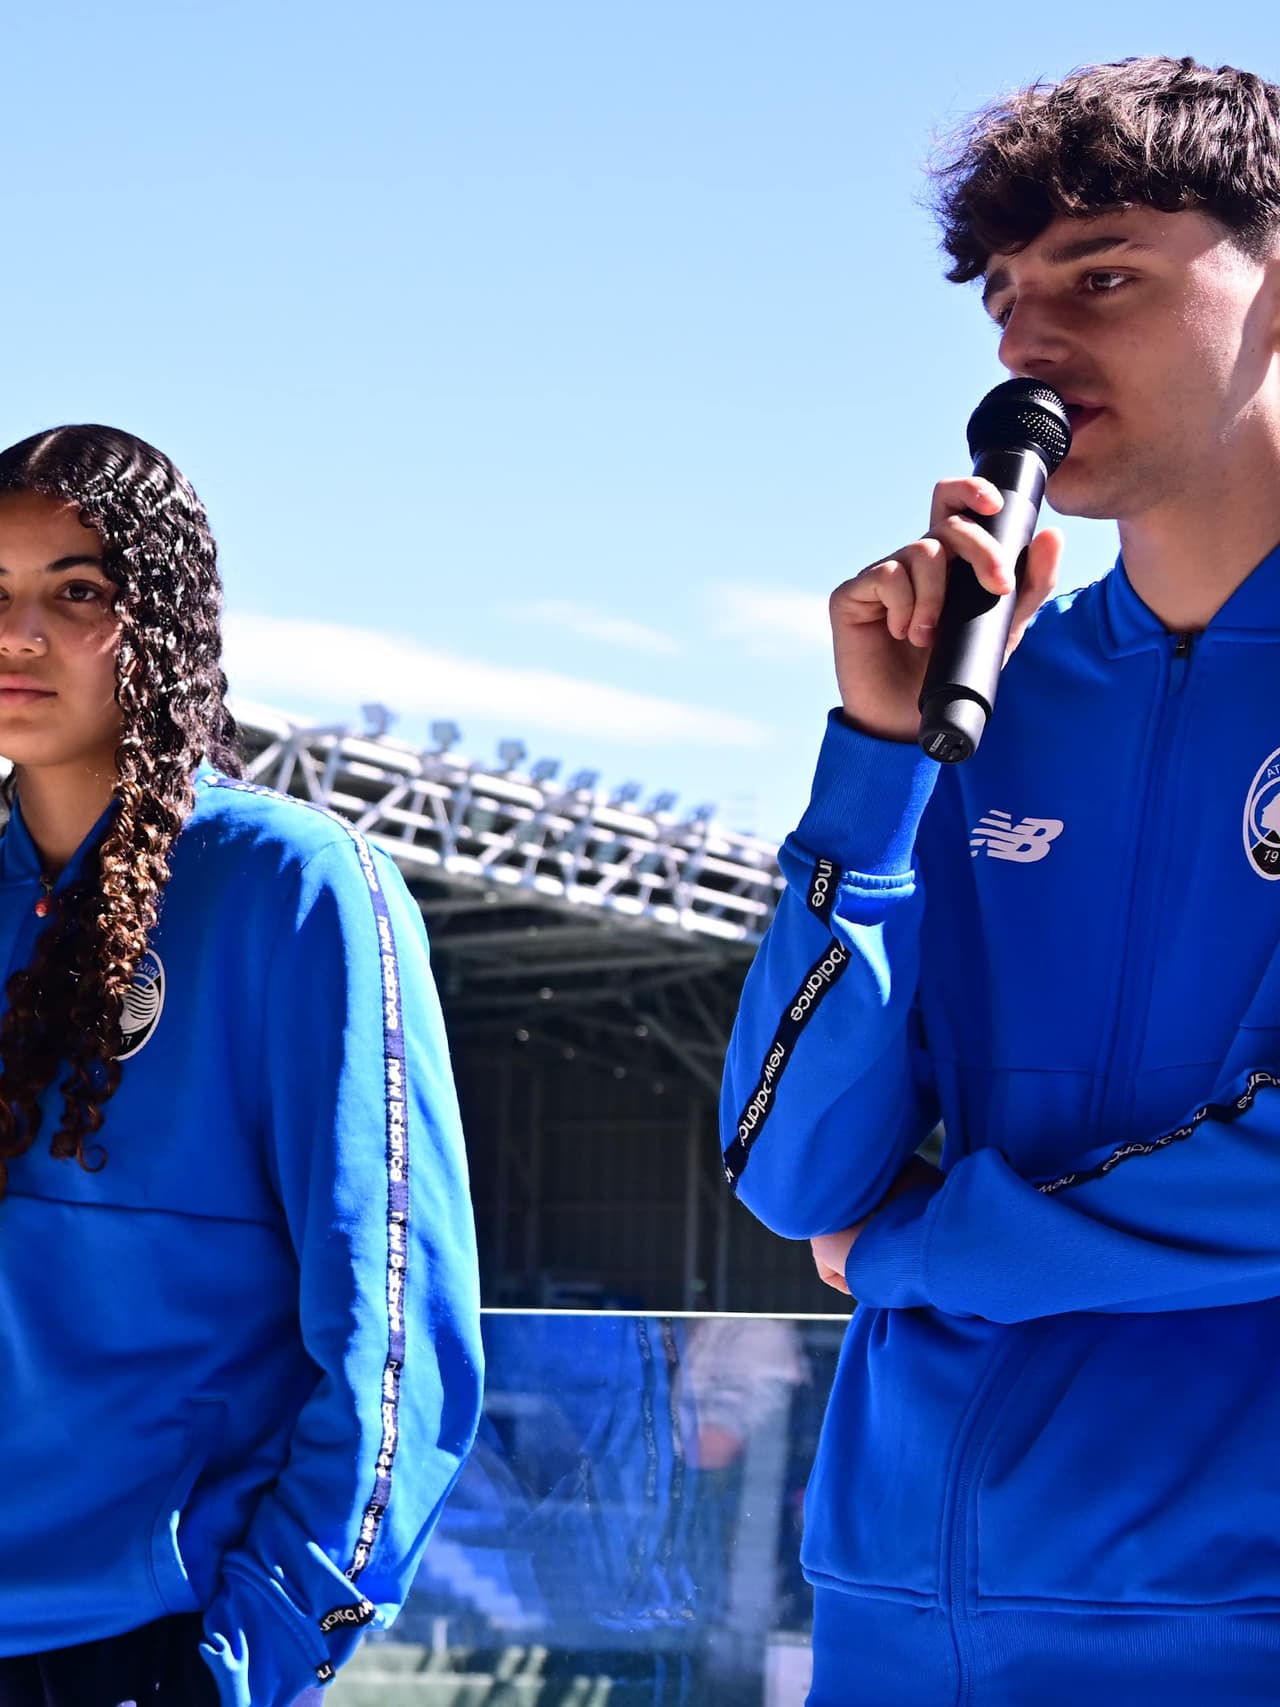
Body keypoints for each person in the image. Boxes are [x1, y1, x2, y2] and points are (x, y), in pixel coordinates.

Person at [720, 55, 1280, 1706]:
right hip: (895, 1618)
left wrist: (926, 1251)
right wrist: (877, 768)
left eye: (1102, 275)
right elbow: (796, 1170)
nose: (1029, 344)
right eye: (1002, 295)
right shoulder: (993, 698)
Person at [0, 426, 484, 1706]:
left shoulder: (296, 886)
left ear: (163, 621)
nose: (20, 635)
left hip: (133, 1656)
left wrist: (249, 1657)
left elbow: (395, 1333)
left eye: (77, 592)